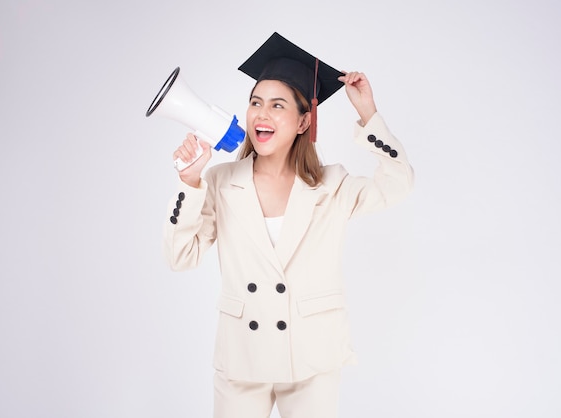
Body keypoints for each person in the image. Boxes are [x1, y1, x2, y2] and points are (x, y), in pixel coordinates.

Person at [164, 32, 414, 418]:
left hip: (312, 358)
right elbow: (181, 257)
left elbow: (398, 184)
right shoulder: (220, 181)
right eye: (255, 103)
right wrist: (189, 182)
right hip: (242, 358)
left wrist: (368, 114)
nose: (261, 114)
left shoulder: (331, 186)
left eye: (277, 105)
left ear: (303, 122)